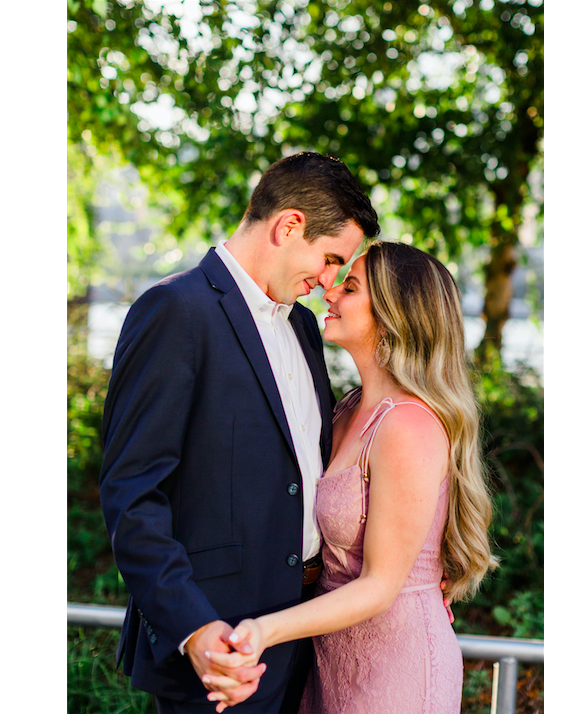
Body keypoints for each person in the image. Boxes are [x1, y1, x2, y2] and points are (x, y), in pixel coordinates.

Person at [98, 152, 381, 714]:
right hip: (218, 646)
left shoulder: (303, 326)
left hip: (306, 636)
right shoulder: (175, 310)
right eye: (331, 259)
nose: (329, 282)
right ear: (289, 226)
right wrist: (194, 628)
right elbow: (132, 494)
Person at [204, 241, 498, 714]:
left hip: (395, 668)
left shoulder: (407, 425)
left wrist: (262, 629)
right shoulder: (346, 408)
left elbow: (380, 586)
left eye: (351, 287)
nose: (330, 292)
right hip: (330, 659)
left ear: (394, 313)